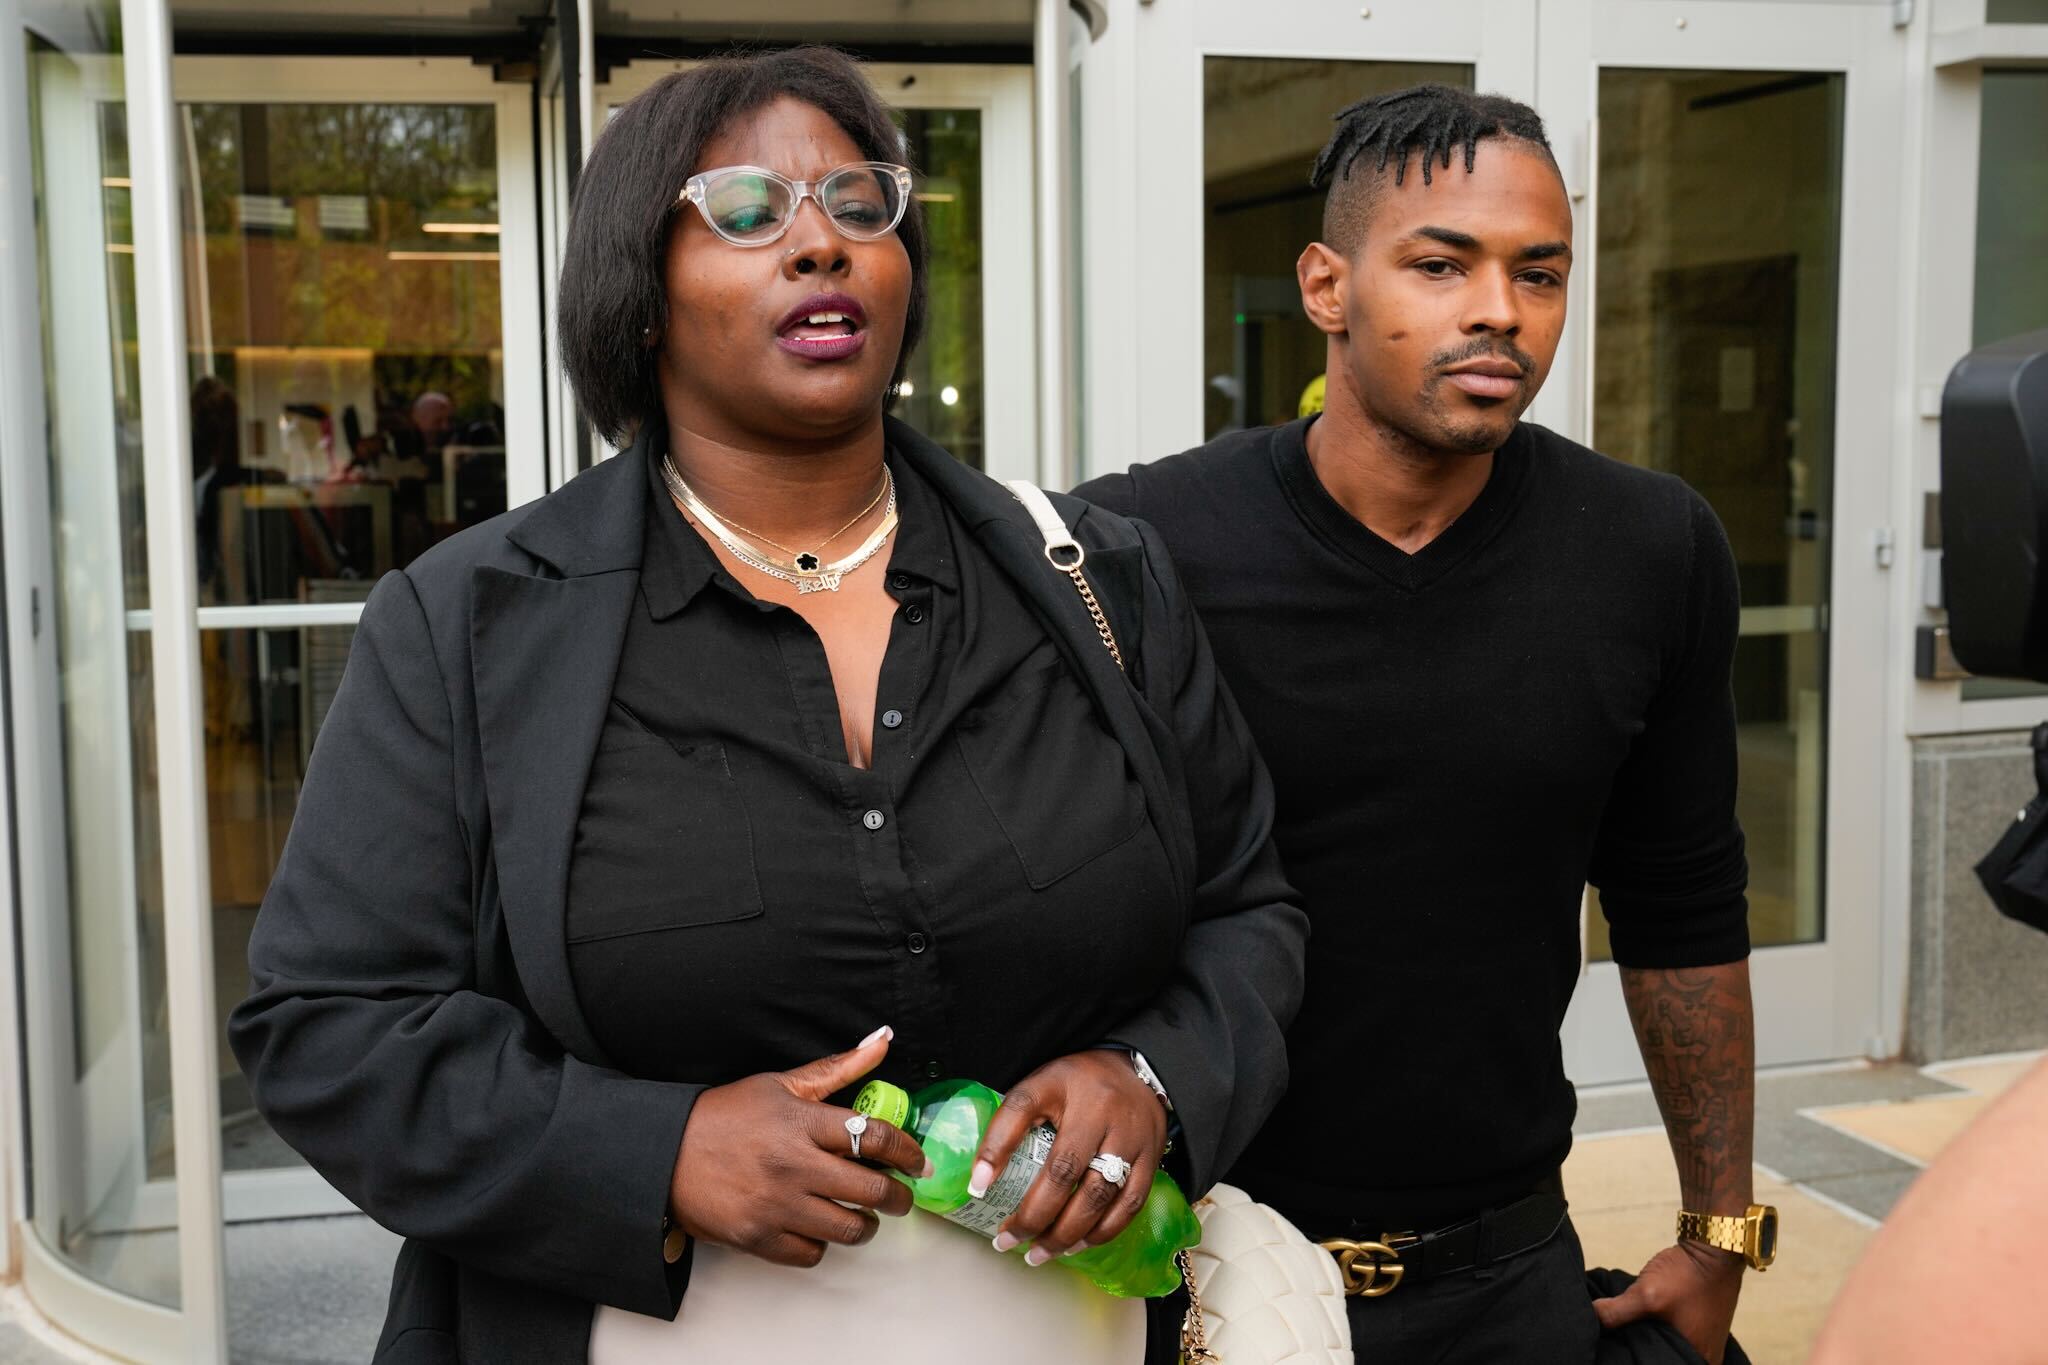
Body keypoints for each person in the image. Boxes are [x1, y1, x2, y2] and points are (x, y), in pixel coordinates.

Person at [229, 46, 1306, 1365]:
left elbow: (1249, 911)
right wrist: (655, 1151)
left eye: (860, 205)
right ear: (639, 294)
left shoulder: (1100, 582)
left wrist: (1152, 1080)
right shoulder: (469, 625)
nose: (820, 245)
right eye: (746, 211)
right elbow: (330, 1023)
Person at [1077, 84, 1766, 1364]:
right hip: (1184, 1273)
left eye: (1538, 272)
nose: (1499, 309)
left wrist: (1718, 1228)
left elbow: (1683, 905)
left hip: (1502, 1272)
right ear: (1326, 286)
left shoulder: (1645, 547)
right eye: (1441, 264)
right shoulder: (1134, 550)